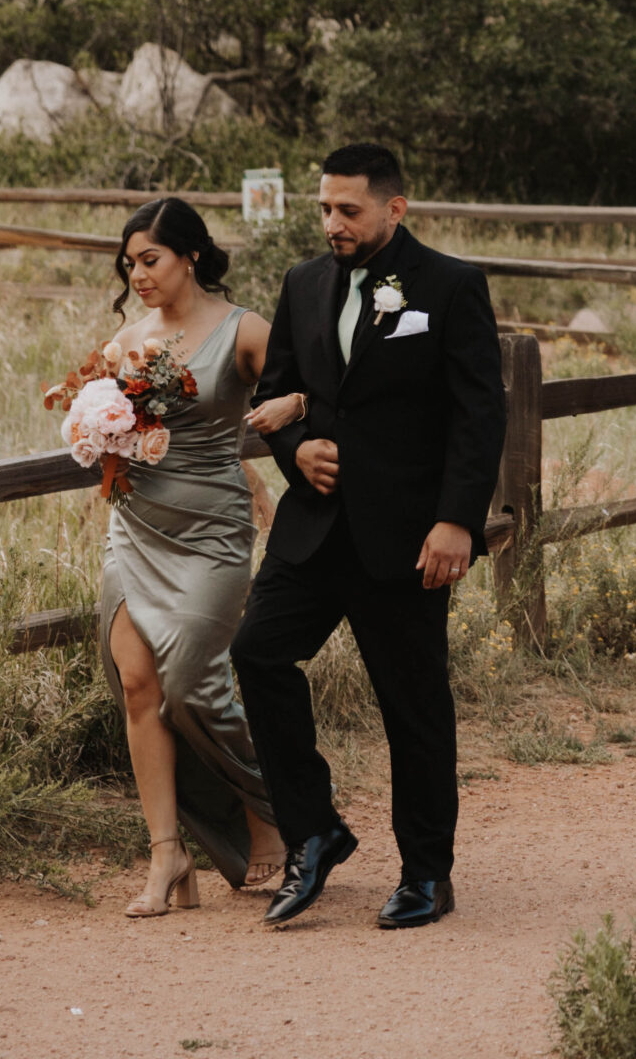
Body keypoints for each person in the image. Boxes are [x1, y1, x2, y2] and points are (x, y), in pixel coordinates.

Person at [231, 142, 507, 930]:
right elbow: (281, 387)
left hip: (410, 534)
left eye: (348, 209)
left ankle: (426, 872)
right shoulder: (303, 282)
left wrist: (456, 519)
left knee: (411, 706)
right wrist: (297, 449)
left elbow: (477, 413)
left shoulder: (450, 287)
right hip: (314, 530)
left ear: (396, 208)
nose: (332, 223)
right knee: (257, 652)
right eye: (324, 208)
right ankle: (315, 831)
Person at [99, 196, 285, 917]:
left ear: (192, 256)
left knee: (192, 680)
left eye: (150, 260)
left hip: (211, 532)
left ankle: (273, 812)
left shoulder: (245, 331)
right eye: (129, 265)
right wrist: (96, 437)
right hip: (135, 527)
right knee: (139, 685)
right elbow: (126, 435)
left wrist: (276, 454)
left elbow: (299, 399)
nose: (137, 275)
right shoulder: (127, 344)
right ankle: (166, 854)